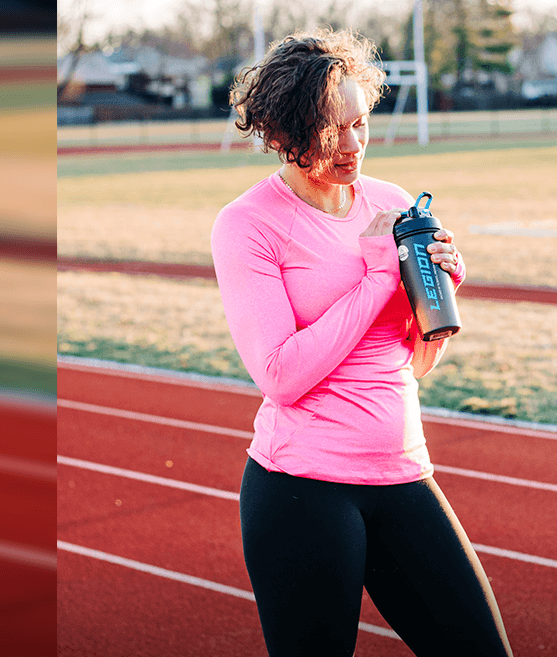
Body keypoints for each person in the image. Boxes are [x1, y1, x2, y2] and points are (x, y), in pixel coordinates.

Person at [211, 28, 514, 657]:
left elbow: (416, 361)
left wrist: (439, 293)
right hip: (301, 488)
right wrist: (380, 278)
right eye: (331, 130)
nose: (353, 145)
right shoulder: (246, 224)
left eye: (361, 122)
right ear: (282, 132)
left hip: (403, 472)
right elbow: (280, 375)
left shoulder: (391, 203)